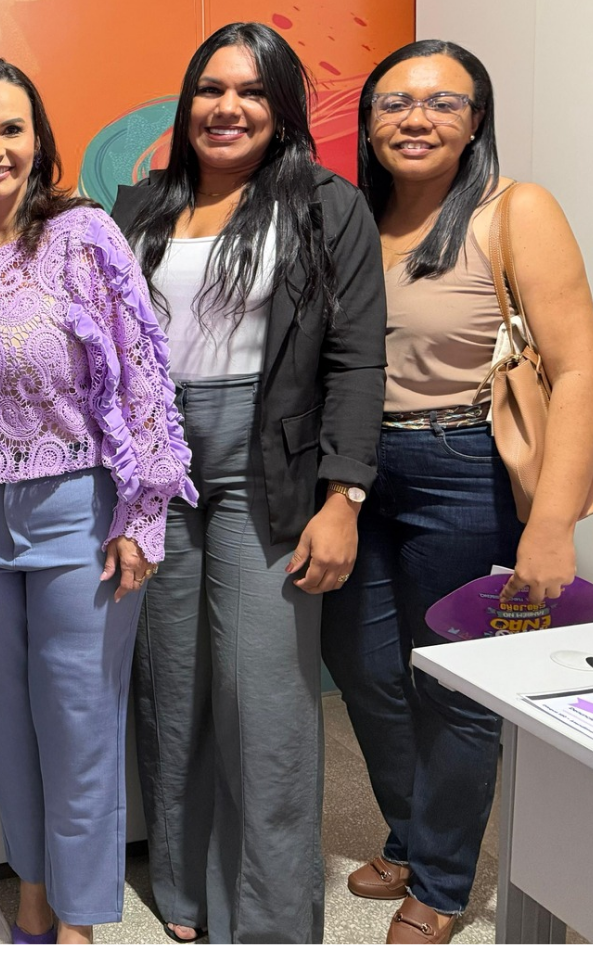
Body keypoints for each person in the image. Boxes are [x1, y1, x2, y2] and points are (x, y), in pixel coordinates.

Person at [0, 59, 195, 945]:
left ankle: (82, 914)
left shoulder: (85, 237)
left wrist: (143, 515)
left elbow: (143, 380)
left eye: (11, 129)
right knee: (1, 719)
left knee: (77, 719)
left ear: (39, 139)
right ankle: (32, 883)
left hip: (76, 510)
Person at [111, 22, 387, 944]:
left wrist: (343, 496)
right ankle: (185, 894)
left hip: (268, 467)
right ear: (187, 101)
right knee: (171, 688)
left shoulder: (323, 204)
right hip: (158, 468)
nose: (228, 107)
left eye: (252, 91)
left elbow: (355, 362)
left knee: (263, 696)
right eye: (211, 88)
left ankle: (269, 915)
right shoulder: (139, 206)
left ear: (281, 110)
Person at [322, 40, 593, 945]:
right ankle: (412, 831)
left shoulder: (514, 211)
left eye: (443, 102)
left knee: (457, 690)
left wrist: (550, 522)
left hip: (466, 470)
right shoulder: (353, 216)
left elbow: (578, 368)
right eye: (395, 100)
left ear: (476, 119)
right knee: (362, 670)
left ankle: (439, 878)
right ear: (367, 120)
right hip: (361, 471)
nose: (416, 117)